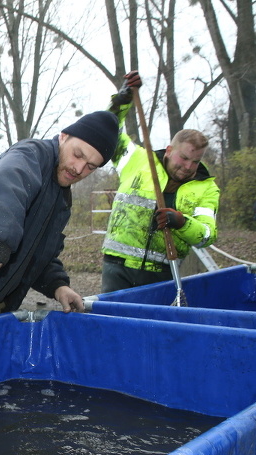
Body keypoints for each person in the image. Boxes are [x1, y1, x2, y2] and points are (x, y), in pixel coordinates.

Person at [0, 110, 121, 315]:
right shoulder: (30, 154)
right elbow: (5, 184)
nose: (78, 169)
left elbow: (36, 254)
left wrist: (58, 286)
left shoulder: (62, 200)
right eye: (78, 155)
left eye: (90, 166)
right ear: (63, 137)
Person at [100, 71, 220, 293]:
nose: (188, 167)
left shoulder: (207, 188)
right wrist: (122, 100)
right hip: (117, 269)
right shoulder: (137, 160)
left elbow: (206, 234)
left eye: (195, 161)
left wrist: (182, 222)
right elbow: (106, 131)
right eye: (183, 158)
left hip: (163, 275)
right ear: (169, 150)